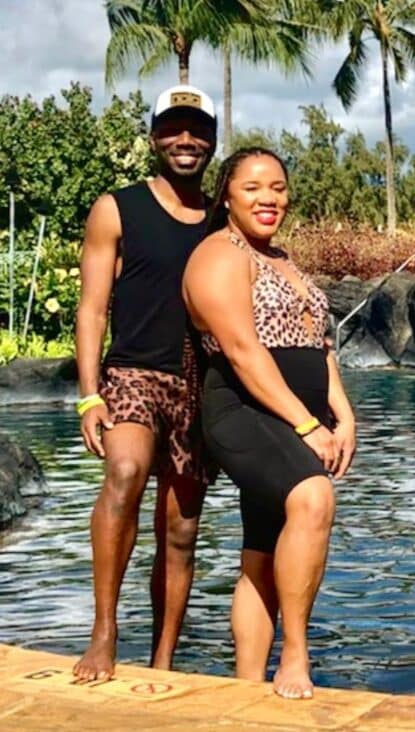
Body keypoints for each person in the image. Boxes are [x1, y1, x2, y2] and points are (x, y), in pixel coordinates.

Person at [182, 147, 356, 700]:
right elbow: (241, 350)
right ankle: (295, 656)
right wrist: (308, 425)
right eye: (254, 187)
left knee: (261, 551)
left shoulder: (285, 260)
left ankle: (246, 686)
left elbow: (317, 345)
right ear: (227, 195)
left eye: (278, 187)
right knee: (313, 497)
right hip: (242, 409)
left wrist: (344, 415)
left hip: (291, 413)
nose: (268, 198)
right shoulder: (219, 255)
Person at [73, 85, 218, 681]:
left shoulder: (221, 217)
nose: (185, 140)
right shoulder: (118, 207)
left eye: (197, 129)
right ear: (154, 134)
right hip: (133, 372)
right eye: (172, 128)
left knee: (180, 529)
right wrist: (89, 393)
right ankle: (104, 632)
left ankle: (163, 659)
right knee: (126, 471)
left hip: (199, 385)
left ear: (212, 138)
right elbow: (91, 309)